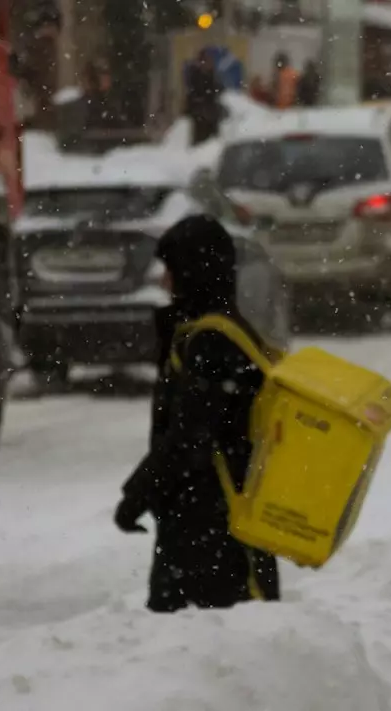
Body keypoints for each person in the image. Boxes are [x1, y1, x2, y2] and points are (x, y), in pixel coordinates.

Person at [114, 216, 281, 613]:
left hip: (214, 531)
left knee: (209, 650)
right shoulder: (213, 333)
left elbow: (189, 436)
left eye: (171, 270)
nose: (164, 282)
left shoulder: (212, 342)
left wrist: (137, 494)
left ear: (193, 271)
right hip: (209, 524)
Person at [185, 49, 224, 145]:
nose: (210, 64)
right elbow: (201, 93)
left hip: (208, 114)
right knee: (203, 141)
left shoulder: (210, 75)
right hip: (203, 114)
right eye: (208, 61)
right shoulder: (197, 76)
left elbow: (217, 90)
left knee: (211, 142)